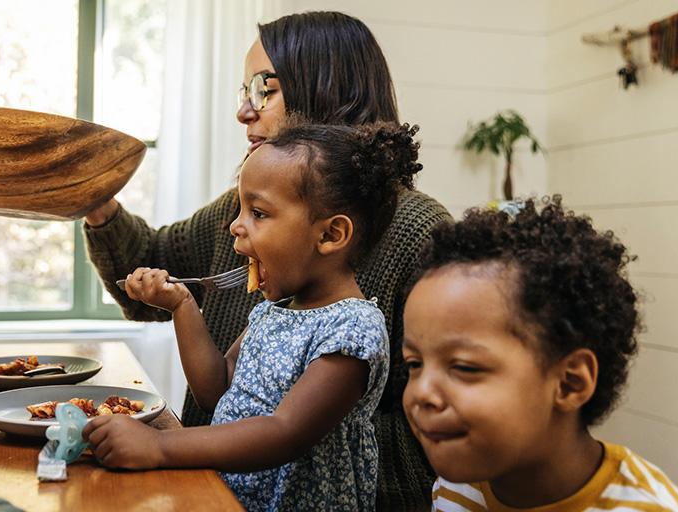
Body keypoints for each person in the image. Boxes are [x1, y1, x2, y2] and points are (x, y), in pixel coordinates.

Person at [82, 11, 450, 508]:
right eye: (243, 92)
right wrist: (97, 202)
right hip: (207, 485)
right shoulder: (250, 209)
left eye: (264, 89)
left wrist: (193, 446)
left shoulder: (420, 235)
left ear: (329, 89)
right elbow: (153, 264)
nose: (243, 112)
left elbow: (430, 436)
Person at [402, 197, 678, 510]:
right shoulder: (457, 490)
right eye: (414, 364)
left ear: (569, 382)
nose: (421, 393)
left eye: (465, 367)